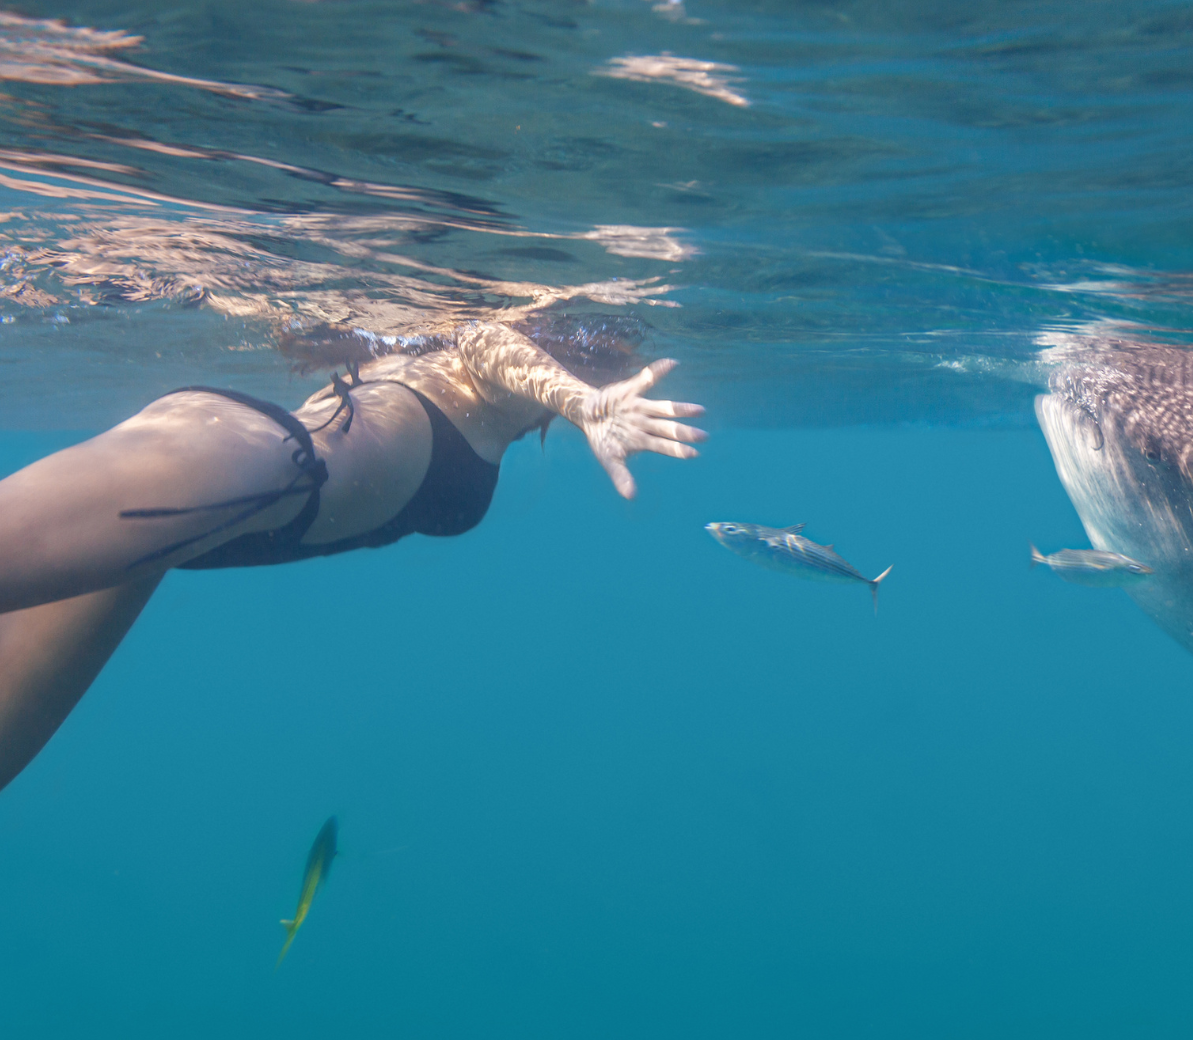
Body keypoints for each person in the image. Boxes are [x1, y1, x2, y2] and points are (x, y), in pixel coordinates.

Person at [0, 320, 706, 789]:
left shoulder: (455, 382)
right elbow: (487, 339)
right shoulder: (490, 364)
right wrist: (586, 402)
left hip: (217, 509)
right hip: (248, 471)